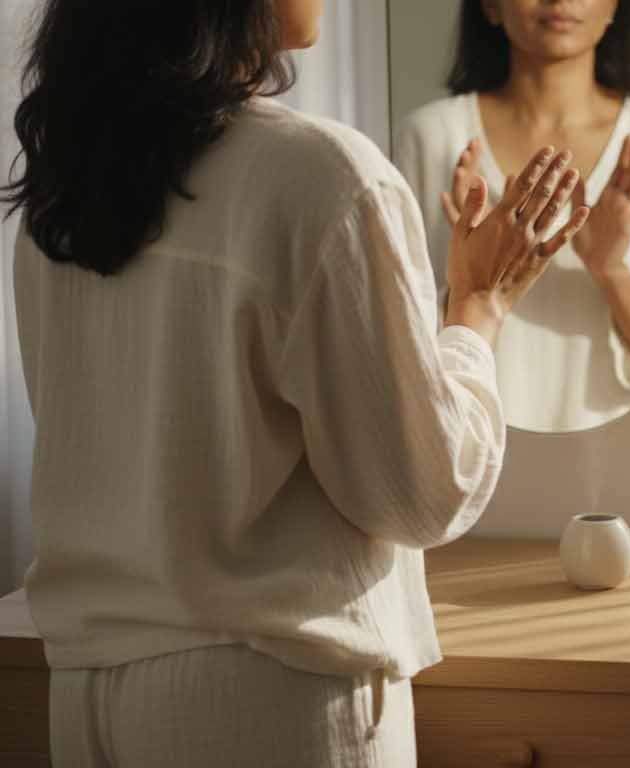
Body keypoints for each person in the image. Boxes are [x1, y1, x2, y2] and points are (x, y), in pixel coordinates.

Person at [2, 0, 587, 764]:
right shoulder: (320, 179)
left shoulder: (62, 196)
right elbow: (421, 489)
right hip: (270, 698)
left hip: (85, 694)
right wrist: (477, 309)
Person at [395, 0, 630, 432]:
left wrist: (610, 269)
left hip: (624, 448)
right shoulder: (430, 138)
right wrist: (474, 275)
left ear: (617, 7)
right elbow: (399, 332)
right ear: (491, 7)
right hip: (469, 439)